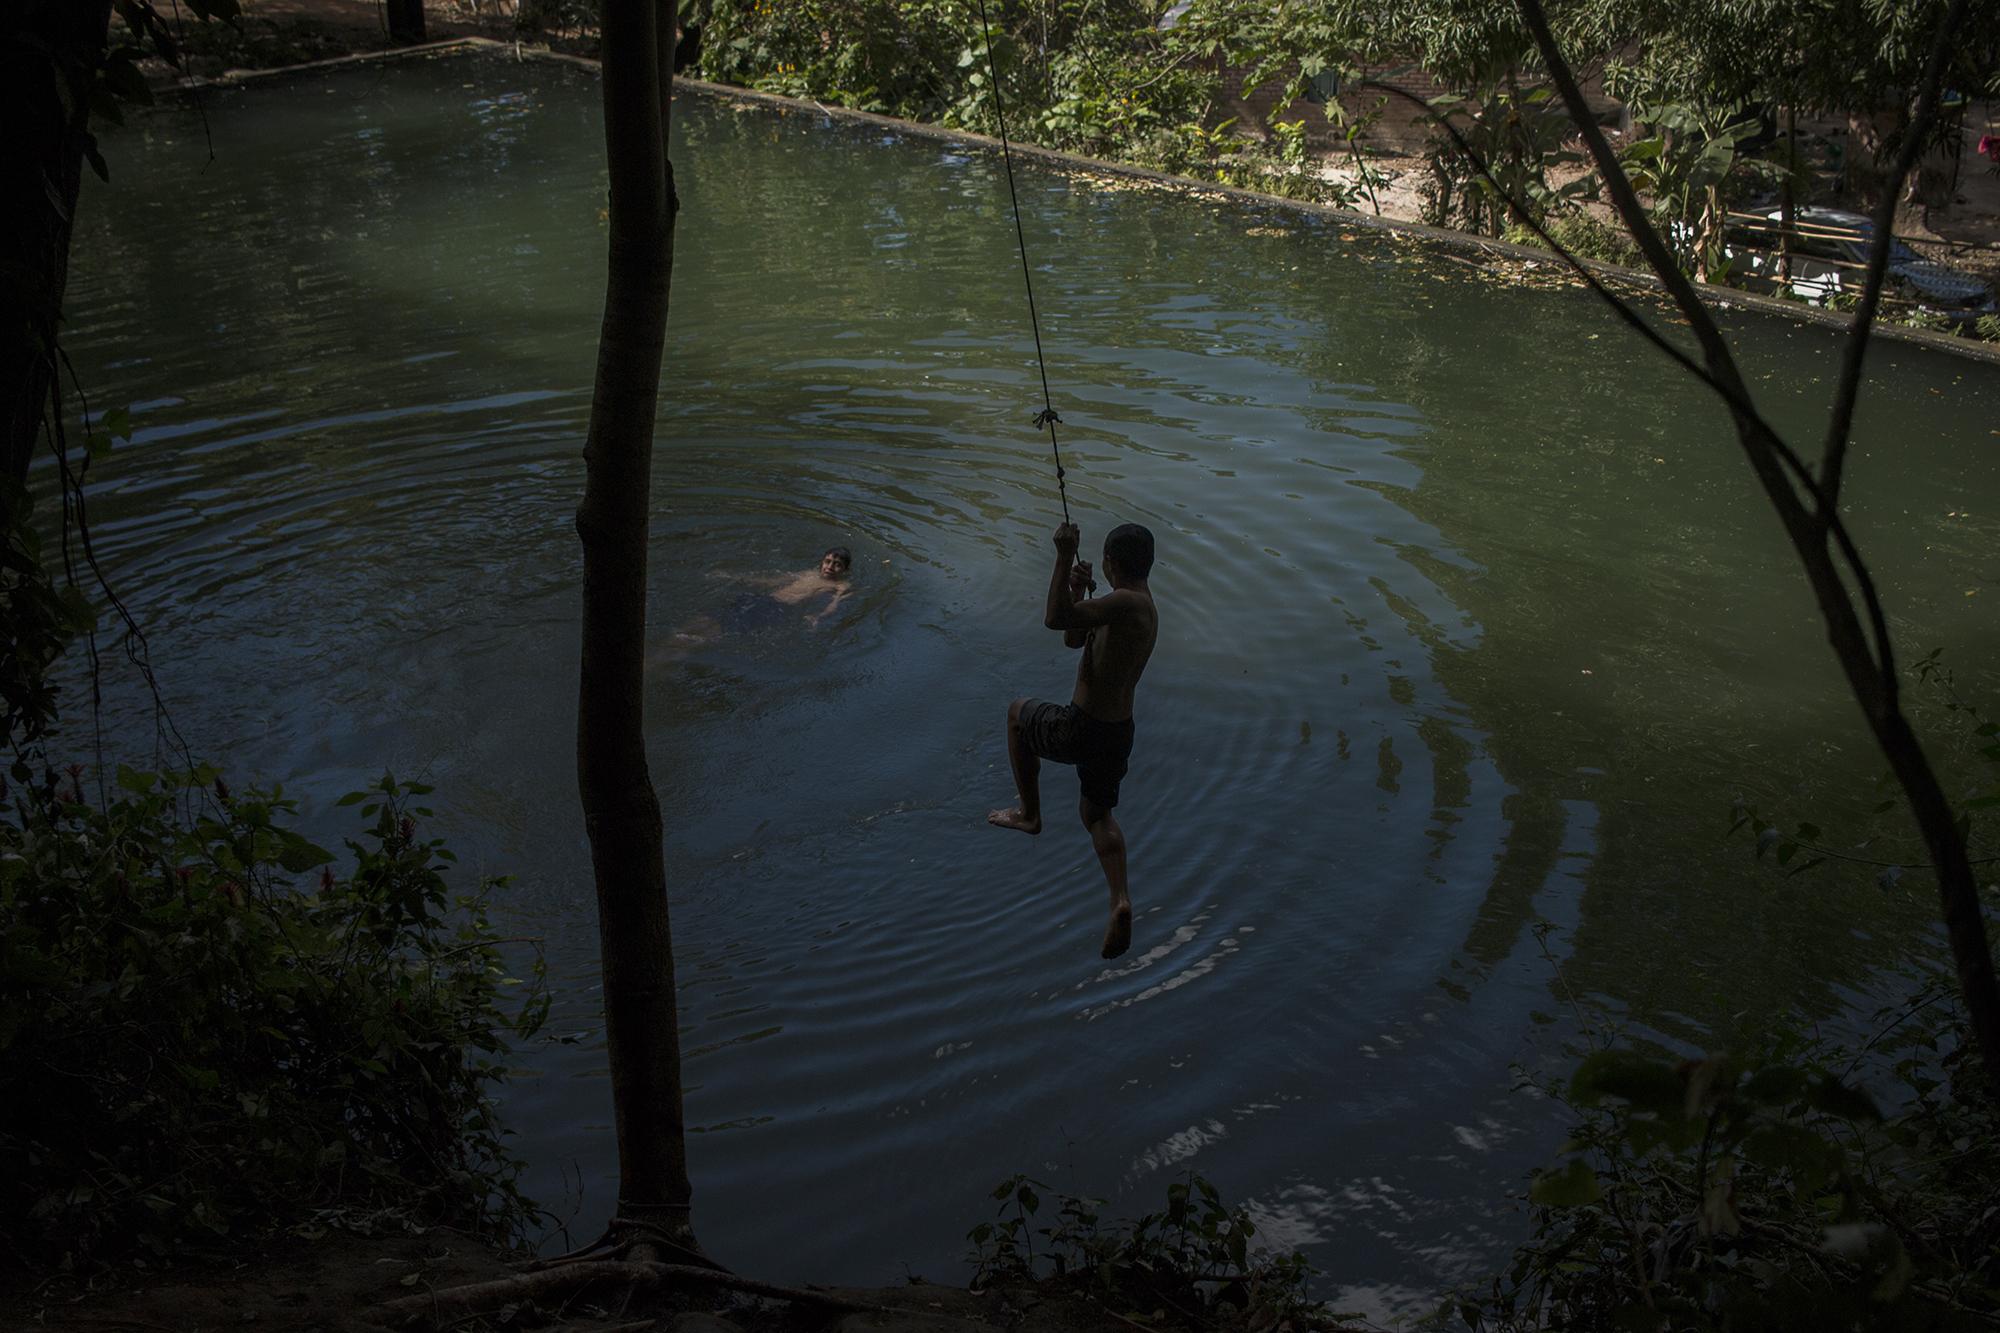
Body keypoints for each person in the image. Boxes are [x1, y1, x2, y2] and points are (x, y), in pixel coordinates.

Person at [988, 520, 1159, 959]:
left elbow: (1053, 619)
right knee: (1096, 813)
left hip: (1084, 726)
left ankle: (1029, 814)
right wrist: (1078, 589)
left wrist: (1063, 556)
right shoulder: (1136, 605)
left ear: (1111, 561)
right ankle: (1119, 900)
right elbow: (1072, 638)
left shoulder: (1122, 603)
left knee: (1016, 715)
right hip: (1118, 733)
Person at [666, 546, 852, 648]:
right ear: (821, 562)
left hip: (777, 610)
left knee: (716, 632)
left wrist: (818, 617)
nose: (829, 567)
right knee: (705, 620)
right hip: (759, 599)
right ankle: (672, 642)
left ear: (844, 570)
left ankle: (681, 649)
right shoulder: (807, 574)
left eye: (836, 564)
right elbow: (771, 581)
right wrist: (735, 577)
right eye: (827, 561)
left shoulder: (840, 585)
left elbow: (834, 604)